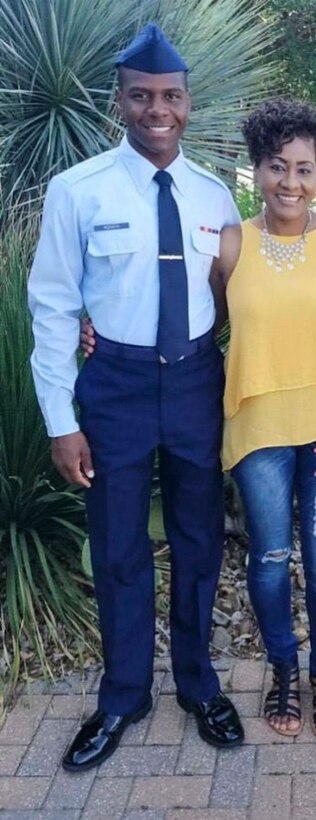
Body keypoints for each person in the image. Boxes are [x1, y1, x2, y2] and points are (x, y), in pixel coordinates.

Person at [27, 23, 244, 772]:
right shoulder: (77, 190)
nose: (158, 110)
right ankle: (123, 695)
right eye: (143, 96)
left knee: (198, 539)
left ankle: (198, 684)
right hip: (114, 385)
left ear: (188, 103)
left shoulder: (215, 194)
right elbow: (54, 306)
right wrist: (62, 420)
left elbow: (235, 293)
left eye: (171, 97)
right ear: (119, 101)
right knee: (119, 546)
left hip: (194, 381)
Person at [219, 100, 316, 741]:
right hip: (257, 433)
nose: (291, 182)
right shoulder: (232, 244)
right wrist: (95, 331)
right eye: (277, 166)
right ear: (256, 169)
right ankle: (283, 669)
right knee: (268, 558)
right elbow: (193, 325)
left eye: (304, 168)